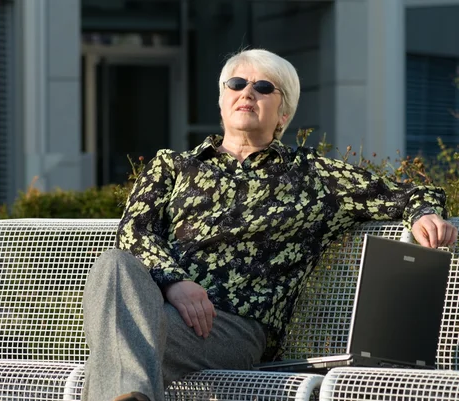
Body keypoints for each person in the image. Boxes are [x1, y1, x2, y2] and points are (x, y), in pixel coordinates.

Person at [82, 48, 458, 401]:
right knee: (113, 264)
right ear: (222, 100)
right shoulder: (173, 165)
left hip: (231, 329)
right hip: (157, 310)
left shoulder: (312, 176)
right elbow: (135, 232)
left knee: (121, 340)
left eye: (263, 87)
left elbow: (409, 194)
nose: (248, 92)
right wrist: (175, 282)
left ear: (283, 114)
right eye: (237, 84)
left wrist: (424, 213)